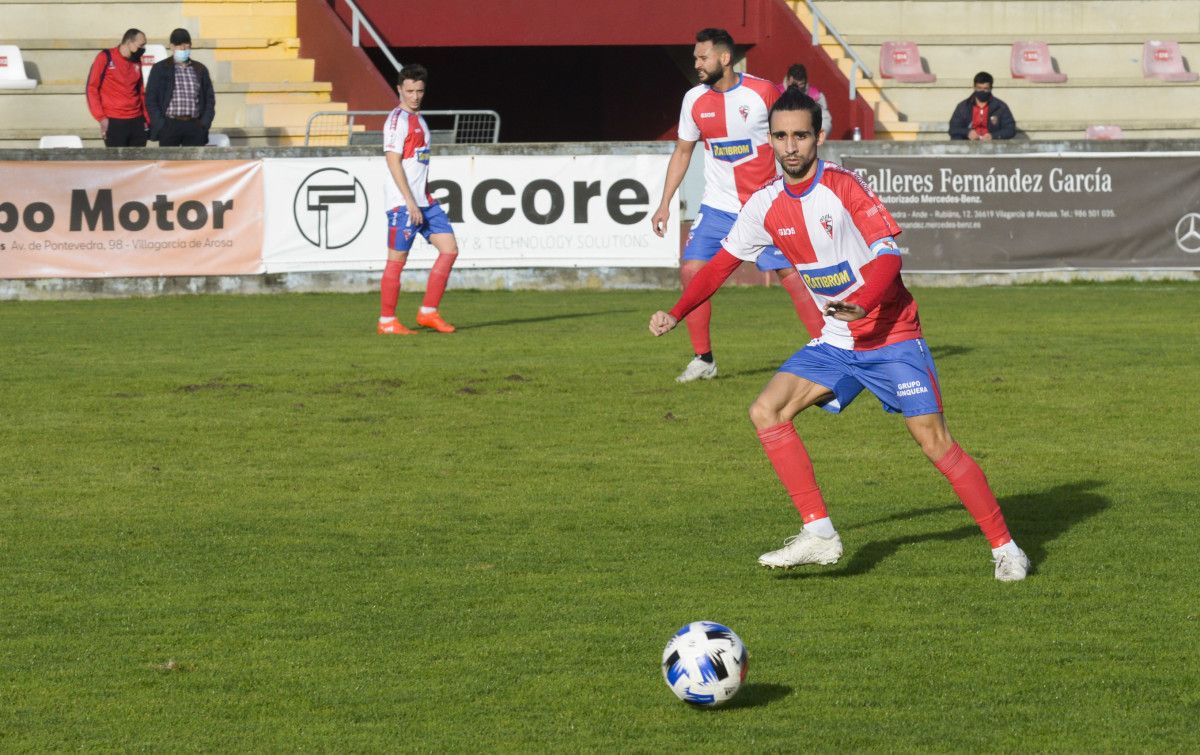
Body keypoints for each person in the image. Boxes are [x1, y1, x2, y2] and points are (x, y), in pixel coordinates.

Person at [648, 88, 1031, 582]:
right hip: (836, 341)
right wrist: (678, 312)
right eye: (781, 136)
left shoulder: (845, 187)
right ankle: (821, 534)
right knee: (767, 409)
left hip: (891, 334)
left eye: (800, 136)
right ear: (769, 140)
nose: (790, 146)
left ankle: (1005, 548)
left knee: (935, 442)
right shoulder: (764, 204)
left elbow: (889, 256)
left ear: (819, 138)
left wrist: (863, 303)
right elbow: (722, 263)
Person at [651, 28, 820, 383]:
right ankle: (704, 359)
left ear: (724, 58)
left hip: (764, 206)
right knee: (692, 272)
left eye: (702, 57)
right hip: (717, 207)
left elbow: (793, 135)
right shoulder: (693, 100)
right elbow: (683, 151)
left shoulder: (762, 92)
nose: (696, 63)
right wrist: (664, 202)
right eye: (695, 57)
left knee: (791, 277)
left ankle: (830, 349)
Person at [377, 64, 459, 335]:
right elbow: (393, 162)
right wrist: (410, 202)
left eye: (419, 91)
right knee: (397, 260)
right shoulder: (397, 121)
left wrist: (422, 197)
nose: (414, 96)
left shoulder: (419, 119)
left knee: (449, 249)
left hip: (424, 201)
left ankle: (428, 312)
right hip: (404, 204)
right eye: (409, 91)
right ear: (399, 89)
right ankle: (387, 321)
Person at [145, 29, 216, 147]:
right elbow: (151, 98)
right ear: (172, 47)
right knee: (169, 163)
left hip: (194, 125)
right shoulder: (160, 68)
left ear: (190, 45)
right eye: (178, 44)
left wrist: (204, 124)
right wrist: (161, 125)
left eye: (185, 44)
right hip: (169, 124)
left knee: (193, 164)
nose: (183, 48)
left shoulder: (200, 69)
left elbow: (209, 99)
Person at [85, 29, 149, 147]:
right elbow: (91, 88)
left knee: (138, 162)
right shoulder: (105, 57)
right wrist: (101, 118)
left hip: (137, 121)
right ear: (129, 42)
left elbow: (140, 92)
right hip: (114, 120)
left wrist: (146, 119)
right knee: (118, 163)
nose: (143, 49)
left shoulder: (136, 61)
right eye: (141, 45)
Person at [949, 71, 1016, 140]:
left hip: (993, 145)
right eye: (979, 88)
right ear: (974, 87)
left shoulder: (1001, 107)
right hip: (968, 144)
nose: (982, 91)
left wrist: (993, 136)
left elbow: (1010, 129)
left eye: (985, 89)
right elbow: (953, 129)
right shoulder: (963, 106)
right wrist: (967, 132)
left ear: (991, 88)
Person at [778, 63, 832, 138]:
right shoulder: (776, 93)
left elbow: (825, 119)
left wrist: (818, 136)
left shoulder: (815, 96)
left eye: (801, 84)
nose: (797, 88)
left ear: (805, 82)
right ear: (788, 80)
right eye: (794, 84)